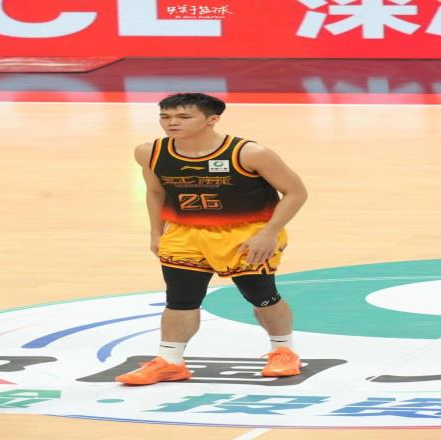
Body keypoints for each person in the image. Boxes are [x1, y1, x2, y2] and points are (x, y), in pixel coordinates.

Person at [116, 93, 308, 385]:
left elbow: (295, 192)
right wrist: (156, 232)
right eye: (165, 117)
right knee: (180, 298)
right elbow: (156, 192)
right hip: (185, 233)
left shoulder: (250, 153)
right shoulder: (149, 152)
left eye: (183, 117)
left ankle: (284, 350)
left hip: (246, 233)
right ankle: (170, 361)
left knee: (261, 294)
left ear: (212, 120)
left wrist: (269, 233)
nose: (172, 123)